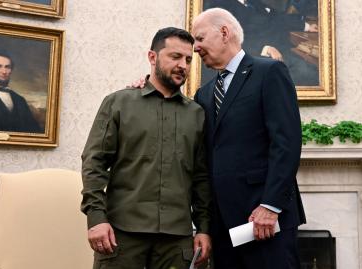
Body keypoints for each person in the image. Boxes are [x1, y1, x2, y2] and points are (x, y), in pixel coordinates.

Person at [81, 27, 212, 269]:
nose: (183, 65)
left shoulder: (197, 114)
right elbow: (94, 163)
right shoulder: (118, 103)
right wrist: (96, 218)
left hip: (177, 240)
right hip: (121, 235)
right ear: (152, 57)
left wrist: (203, 229)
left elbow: (201, 178)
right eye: (175, 57)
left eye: (188, 59)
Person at [191, 8, 306, 269]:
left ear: (224, 32)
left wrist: (271, 205)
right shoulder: (204, 94)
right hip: (223, 229)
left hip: (264, 222)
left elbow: (286, 143)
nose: (195, 48)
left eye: (199, 38)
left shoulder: (270, 72)